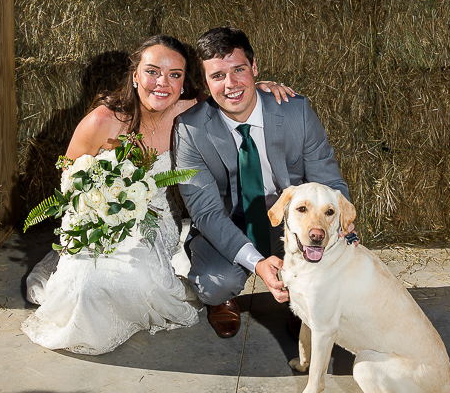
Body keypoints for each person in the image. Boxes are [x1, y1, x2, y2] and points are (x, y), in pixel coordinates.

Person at [22, 35, 294, 355]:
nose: (162, 83)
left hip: (153, 217)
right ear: (135, 75)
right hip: (95, 215)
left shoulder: (191, 110)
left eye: (175, 75)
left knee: (134, 278)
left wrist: (261, 86)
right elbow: (68, 177)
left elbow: (233, 95)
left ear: (183, 82)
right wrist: (97, 204)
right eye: (152, 72)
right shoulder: (102, 121)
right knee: (86, 283)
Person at [174, 25, 351, 338]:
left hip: (289, 217)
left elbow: (328, 180)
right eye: (217, 76)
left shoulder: (297, 112)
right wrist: (257, 263)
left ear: (254, 68)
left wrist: (342, 229)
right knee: (215, 284)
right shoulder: (189, 129)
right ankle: (224, 299)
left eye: (239, 70)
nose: (230, 84)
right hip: (229, 219)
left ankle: (302, 299)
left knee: (333, 259)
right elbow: (206, 212)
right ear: (205, 81)